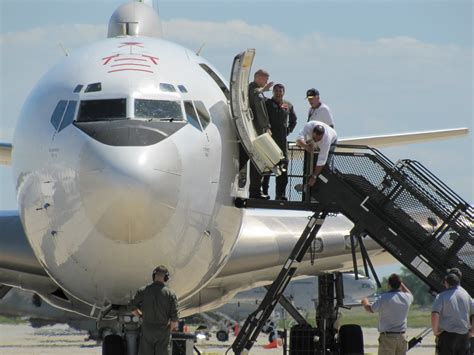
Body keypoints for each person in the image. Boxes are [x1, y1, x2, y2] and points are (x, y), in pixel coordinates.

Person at [129, 265, 179, 355]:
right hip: (163, 330)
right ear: (166, 277)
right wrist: (168, 330)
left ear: (154, 276)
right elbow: (174, 318)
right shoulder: (170, 294)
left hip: (147, 329)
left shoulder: (143, 291)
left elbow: (131, 307)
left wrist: (140, 316)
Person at [361, 273, 413, 355]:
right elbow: (408, 292)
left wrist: (364, 301)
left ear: (389, 285)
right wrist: (400, 282)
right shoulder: (407, 297)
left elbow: (370, 309)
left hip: (388, 337)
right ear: (400, 284)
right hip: (402, 337)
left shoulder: (384, 298)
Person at [261, 83, 297, 200]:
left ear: (283, 92)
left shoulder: (288, 105)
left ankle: (280, 194)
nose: (278, 93)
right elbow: (261, 117)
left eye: (280, 91)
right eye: (276, 91)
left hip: (282, 141)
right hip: (269, 140)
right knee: (267, 166)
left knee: (283, 167)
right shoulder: (267, 104)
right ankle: (264, 192)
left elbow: (294, 120)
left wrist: (288, 131)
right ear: (273, 92)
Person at [242, 69, 273, 199]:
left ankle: (253, 189)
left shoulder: (249, 89)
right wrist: (266, 127)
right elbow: (260, 111)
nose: (266, 82)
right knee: (259, 160)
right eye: (265, 80)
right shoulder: (257, 93)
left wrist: (263, 90)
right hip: (257, 131)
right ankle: (255, 190)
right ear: (259, 78)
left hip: (248, 129)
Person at [431, 273, 473, 355]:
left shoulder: (441, 296)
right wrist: (472, 332)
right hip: (463, 336)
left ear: (446, 283)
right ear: (458, 283)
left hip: (447, 336)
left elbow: (435, 314)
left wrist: (435, 331)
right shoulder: (466, 296)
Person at [295, 120, 337, 187]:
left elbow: (321, 161)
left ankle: (324, 185)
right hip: (310, 141)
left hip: (332, 141)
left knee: (324, 168)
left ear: (322, 136)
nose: (316, 140)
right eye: (314, 138)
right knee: (309, 164)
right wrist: (306, 146)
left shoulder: (326, 140)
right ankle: (307, 185)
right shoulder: (308, 126)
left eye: (318, 139)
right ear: (312, 132)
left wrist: (314, 177)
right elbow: (298, 140)